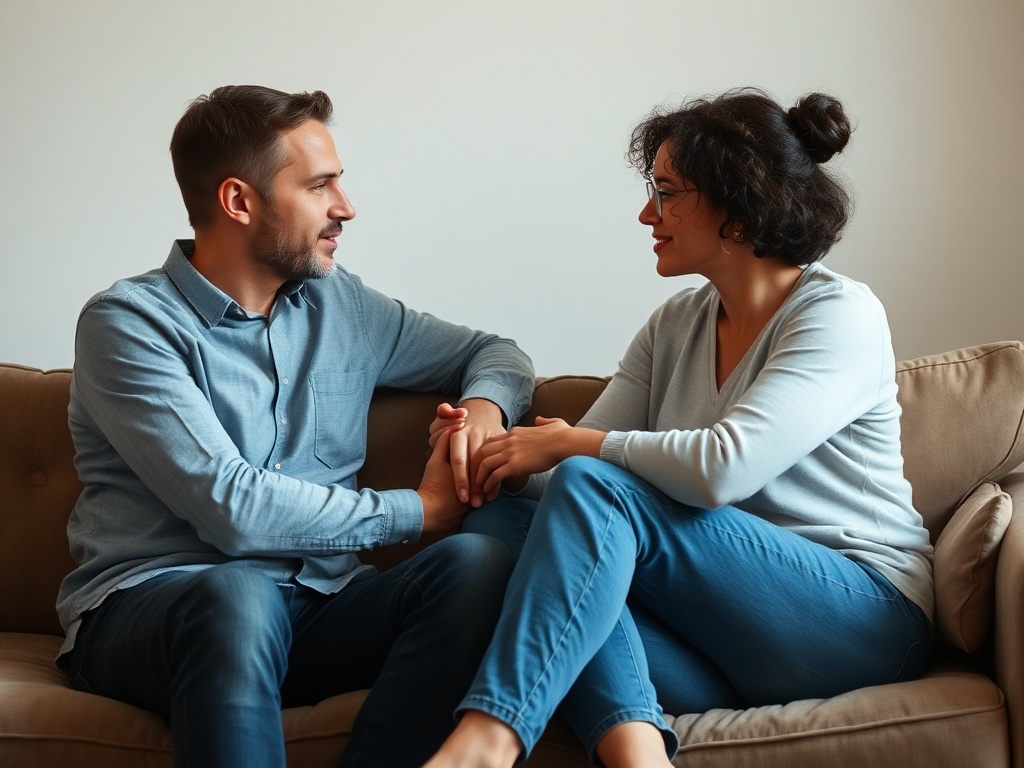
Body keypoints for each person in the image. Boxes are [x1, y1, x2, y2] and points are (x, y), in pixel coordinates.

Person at [424, 88, 934, 768]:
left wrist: (571, 442)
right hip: (722, 646)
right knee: (499, 524)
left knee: (592, 481)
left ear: (737, 203)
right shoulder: (673, 326)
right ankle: (637, 748)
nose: (646, 214)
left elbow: (724, 467)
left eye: (666, 193)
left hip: (855, 619)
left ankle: (488, 739)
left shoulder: (840, 315)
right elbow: (562, 490)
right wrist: (484, 452)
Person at [55, 85, 535, 768]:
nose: (346, 207)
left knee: (479, 565)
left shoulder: (343, 305)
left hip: (317, 609)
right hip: (153, 611)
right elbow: (233, 511)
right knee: (238, 592)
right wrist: (421, 510)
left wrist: (481, 416)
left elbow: (497, 353)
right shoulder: (128, 324)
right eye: (320, 187)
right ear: (239, 201)